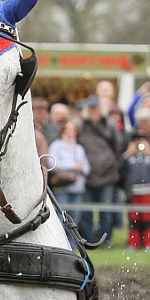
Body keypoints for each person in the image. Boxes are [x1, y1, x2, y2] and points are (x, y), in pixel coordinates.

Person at [78, 95, 122, 244]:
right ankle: (90, 240)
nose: (93, 111)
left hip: (108, 176)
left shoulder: (109, 125)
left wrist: (110, 164)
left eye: (95, 108)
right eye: (90, 109)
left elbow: (118, 147)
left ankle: (105, 240)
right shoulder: (80, 126)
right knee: (86, 211)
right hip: (88, 176)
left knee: (106, 210)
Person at [48, 119, 91, 233]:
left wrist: (80, 168)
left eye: (73, 130)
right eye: (68, 129)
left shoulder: (79, 148)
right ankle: (61, 243)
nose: (70, 132)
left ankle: (73, 244)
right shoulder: (56, 145)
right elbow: (52, 163)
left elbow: (86, 168)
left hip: (78, 187)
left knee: (75, 217)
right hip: (62, 186)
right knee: (62, 216)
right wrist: (73, 166)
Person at [119, 107, 150, 249]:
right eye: (137, 141)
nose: (140, 144)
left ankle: (147, 242)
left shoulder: (148, 156)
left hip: (147, 192)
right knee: (134, 219)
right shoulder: (129, 156)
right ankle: (133, 243)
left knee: (147, 218)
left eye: (142, 140)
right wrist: (127, 153)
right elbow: (120, 168)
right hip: (133, 192)